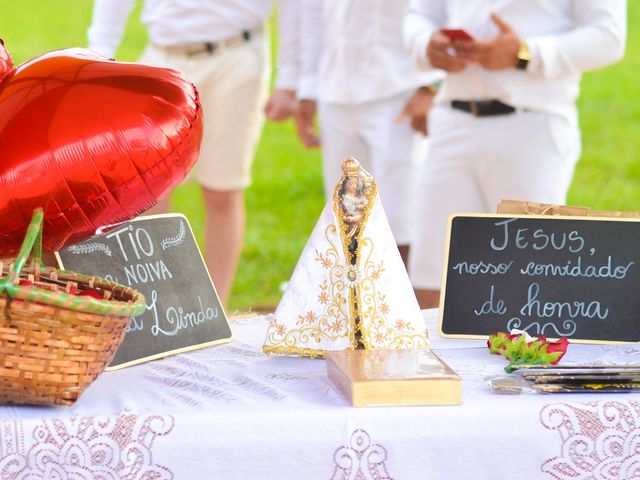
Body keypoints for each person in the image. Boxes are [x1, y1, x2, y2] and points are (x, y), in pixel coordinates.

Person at [403, 0, 627, 308]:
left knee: (530, 276)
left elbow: (610, 36)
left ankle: (522, 357)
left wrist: (526, 53)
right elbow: (420, 14)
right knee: (431, 273)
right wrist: (426, 42)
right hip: (451, 121)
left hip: (531, 125)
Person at [87, 0, 272, 307]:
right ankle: (164, 307)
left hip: (236, 54)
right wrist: (98, 54)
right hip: (163, 57)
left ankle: (214, 310)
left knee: (222, 189)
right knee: (150, 192)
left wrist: (294, 78)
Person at [288, 0, 443, 267]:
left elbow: (441, 9)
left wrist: (431, 83)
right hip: (335, 88)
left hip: (400, 87)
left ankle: (405, 307)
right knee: (345, 218)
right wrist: (308, 87)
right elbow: (311, 11)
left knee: (401, 217)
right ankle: (354, 306)